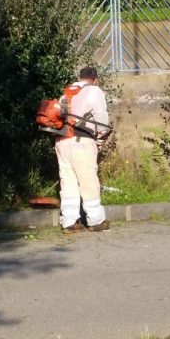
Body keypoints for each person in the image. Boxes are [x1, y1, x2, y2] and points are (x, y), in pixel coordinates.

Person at [55, 66, 111, 233]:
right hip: (82, 140)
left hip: (62, 140)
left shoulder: (67, 92)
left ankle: (70, 222)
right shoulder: (95, 91)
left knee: (68, 181)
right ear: (95, 79)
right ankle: (96, 220)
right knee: (88, 181)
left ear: (79, 78)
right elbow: (101, 116)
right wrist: (103, 135)